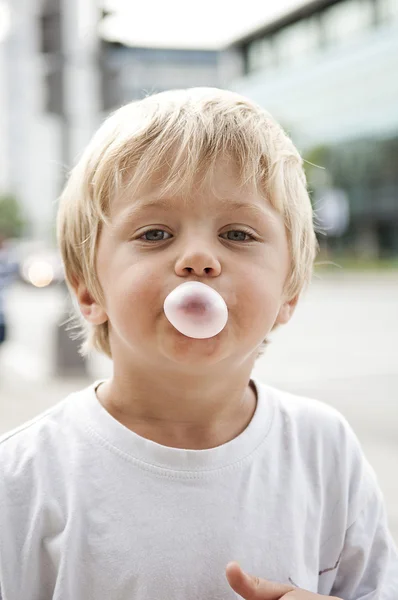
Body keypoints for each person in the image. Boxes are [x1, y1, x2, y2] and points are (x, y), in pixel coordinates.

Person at [0, 88, 397, 600]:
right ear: (87, 290)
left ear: (288, 293)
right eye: (154, 233)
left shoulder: (325, 449)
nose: (198, 258)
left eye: (237, 234)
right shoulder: (25, 476)